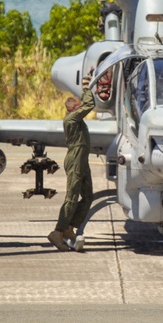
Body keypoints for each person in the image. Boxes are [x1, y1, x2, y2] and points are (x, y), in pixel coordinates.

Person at [47, 71, 95, 251]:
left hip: (82, 160)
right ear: (73, 108)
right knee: (71, 197)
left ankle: (69, 227)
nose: (82, 106)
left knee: (88, 196)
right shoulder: (72, 119)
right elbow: (90, 103)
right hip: (75, 160)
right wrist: (86, 87)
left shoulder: (76, 119)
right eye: (79, 105)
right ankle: (58, 232)